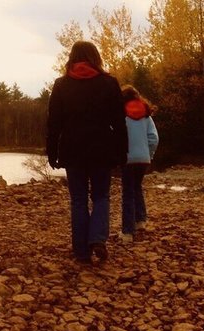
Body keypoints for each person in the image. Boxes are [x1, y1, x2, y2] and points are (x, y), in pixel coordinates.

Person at [46, 41, 128, 264]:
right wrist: (123, 152)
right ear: (96, 57)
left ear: (72, 58)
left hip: (73, 150)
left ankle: (81, 251)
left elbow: (54, 123)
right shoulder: (109, 83)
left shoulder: (61, 85)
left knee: (78, 200)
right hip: (102, 149)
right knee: (101, 196)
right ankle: (97, 238)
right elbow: (119, 123)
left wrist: (51, 152)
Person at [120, 85, 159, 243]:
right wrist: (149, 154)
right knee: (136, 187)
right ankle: (140, 221)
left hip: (127, 159)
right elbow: (154, 138)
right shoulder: (146, 116)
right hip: (143, 159)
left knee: (128, 192)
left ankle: (127, 232)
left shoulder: (121, 116)